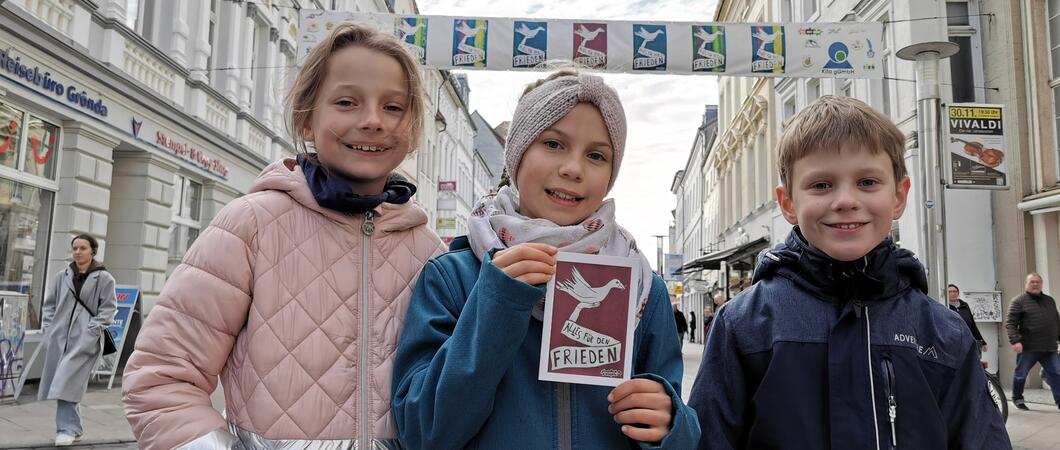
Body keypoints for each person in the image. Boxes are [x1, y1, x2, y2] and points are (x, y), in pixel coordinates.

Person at [121, 24, 445, 449]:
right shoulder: (251, 226)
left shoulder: (431, 253)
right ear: (307, 120)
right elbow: (162, 377)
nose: (372, 121)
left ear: (413, 127)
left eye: (394, 107)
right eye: (347, 102)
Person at [392, 69, 700, 449]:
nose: (573, 168)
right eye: (553, 144)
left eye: (596, 155)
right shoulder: (453, 277)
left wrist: (671, 423)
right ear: (517, 153)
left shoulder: (641, 285)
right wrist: (496, 307)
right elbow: (422, 432)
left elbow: (679, 430)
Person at [688, 96, 1010, 449]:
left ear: (899, 196)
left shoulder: (942, 331)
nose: (845, 200)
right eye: (822, 185)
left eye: (868, 182)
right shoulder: (744, 324)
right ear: (788, 204)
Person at [38, 234, 117, 446]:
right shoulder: (61, 276)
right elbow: (49, 305)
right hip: (60, 338)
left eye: (83, 248)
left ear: (93, 251)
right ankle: (75, 427)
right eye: (75, 248)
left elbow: (108, 309)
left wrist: (91, 331)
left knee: (66, 380)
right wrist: (48, 328)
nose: (78, 252)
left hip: (85, 341)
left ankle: (66, 429)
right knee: (68, 383)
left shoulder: (104, 278)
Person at [1006, 272, 1060, 411]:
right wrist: (1015, 341)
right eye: (1032, 282)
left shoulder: (1050, 300)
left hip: (1049, 347)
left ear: (1041, 284)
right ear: (1026, 284)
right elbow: (1010, 323)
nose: (1035, 284)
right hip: (1028, 347)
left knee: (1056, 373)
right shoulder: (1018, 301)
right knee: (1021, 374)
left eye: (1038, 282)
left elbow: (1056, 322)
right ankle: (1017, 398)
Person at [947, 284, 987, 352]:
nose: (953, 293)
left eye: (955, 291)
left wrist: (983, 342)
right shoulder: (945, 306)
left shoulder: (965, 305)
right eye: (950, 292)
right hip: (952, 342)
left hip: (967, 341)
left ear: (958, 293)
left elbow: (973, 325)